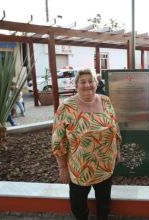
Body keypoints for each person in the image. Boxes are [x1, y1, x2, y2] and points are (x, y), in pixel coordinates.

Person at [52, 68, 121, 220]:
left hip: (104, 164)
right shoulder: (66, 107)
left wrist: (117, 151)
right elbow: (58, 140)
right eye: (83, 82)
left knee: (104, 204)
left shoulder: (105, 101)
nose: (87, 85)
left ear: (96, 84)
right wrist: (62, 167)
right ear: (76, 85)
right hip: (80, 167)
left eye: (91, 81)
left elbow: (114, 127)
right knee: (78, 205)